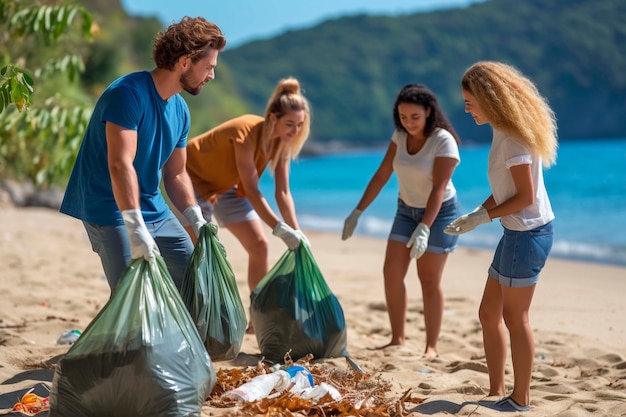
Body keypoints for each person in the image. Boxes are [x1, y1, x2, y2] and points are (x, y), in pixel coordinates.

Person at [60, 17, 226, 294]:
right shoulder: (127, 94)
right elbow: (120, 164)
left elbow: (176, 173)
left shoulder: (180, 110)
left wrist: (195, 218)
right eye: (208, 67)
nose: (211, 75)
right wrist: (135, 228)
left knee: (193, 282)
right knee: (133, 293)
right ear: (185, 62)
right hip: (108, 204)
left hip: (152, 205)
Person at [445, 61, 557, 412]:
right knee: (488, 312)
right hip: (516, 233)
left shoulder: (511, 139)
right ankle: (498, 390)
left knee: (514, 318)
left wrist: (483, 218)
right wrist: (478, 212)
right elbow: (509, 192)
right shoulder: (505, 131)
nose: (466, 109)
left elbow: (524, 197)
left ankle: (520, 400)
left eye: (469, 102)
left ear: (487, 98)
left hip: (526, 235)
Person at [342, 84, 462, 358]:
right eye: (403, 117)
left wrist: (425, 228)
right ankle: (397, 338)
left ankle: (431, 347)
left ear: (429, 112)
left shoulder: (443, 141)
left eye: (415, 117)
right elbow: (382, 174)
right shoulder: (399, 136)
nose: (409, 123)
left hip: (440, 212)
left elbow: (439, 189)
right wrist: (358, 211)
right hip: (406, 210)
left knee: (428, 279)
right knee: (392, 274)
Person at [184, 77, 311, 297]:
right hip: (189, 177)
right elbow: (252, 191)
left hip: (225, 186)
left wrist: (297, 231)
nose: (295, 130)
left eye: (300, 125)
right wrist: (280, 229)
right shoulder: (246, 132)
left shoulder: (282, 143)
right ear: (273, 117)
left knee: (260, 245)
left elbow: (282, 192)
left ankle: (257, 313)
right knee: (201, 251)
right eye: (290, 124)